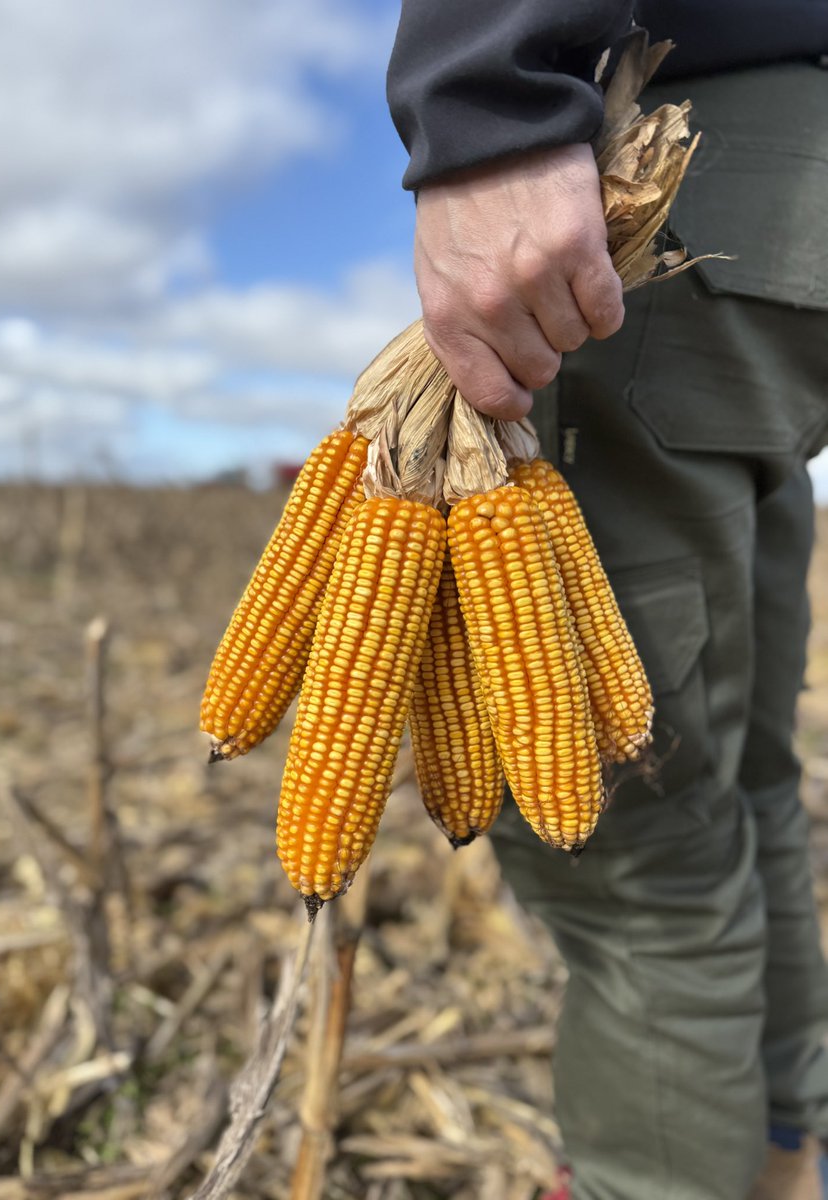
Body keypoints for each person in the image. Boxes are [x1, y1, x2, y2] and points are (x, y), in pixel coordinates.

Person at [387, 4, 828, 1199]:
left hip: (686, 183)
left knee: (634, 850)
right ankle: (784, 1158)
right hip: (798, 205)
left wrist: (491, 99)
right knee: (741, 777)